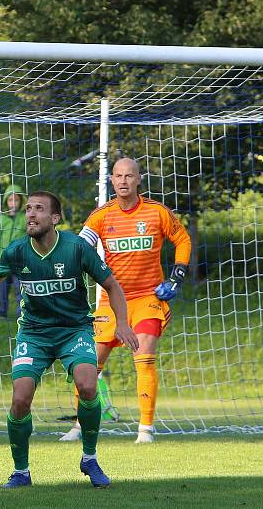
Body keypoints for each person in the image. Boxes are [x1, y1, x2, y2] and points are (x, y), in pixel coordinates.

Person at [0, 191, 139, 489]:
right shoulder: (17, 251)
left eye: (39, 209)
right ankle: (21, 472)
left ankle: (89, 458)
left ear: (54, 219)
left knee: (88, 384)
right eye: (28, 209)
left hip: (73, 330)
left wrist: (123, 323)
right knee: (20, 398)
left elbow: (112, 285)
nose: (31, 214)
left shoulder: (77, 248)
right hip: (34, 334)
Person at [60, 158, 192, 444]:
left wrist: (176, 277)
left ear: (138, 179)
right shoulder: (101, 215)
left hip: (148, 299)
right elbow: (81, 246)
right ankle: (81, 426)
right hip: (110, 303)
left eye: (128, 176)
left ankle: (145, 430)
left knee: (143, 356)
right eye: (118, 176)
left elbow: (182, 240)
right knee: (87, 364)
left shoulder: (157, 213)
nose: (123, 181)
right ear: (111, 181)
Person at [0, 184, 26, 317]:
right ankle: (2, 310)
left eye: (16, 200)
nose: (13, 203)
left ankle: (21, 311)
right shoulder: (1, 220)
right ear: (6, 202)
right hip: (3, 259)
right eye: (10, 200)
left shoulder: (25, 218)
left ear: (21, 201)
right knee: (2, 287)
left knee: (19, 286)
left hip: (19, 260)